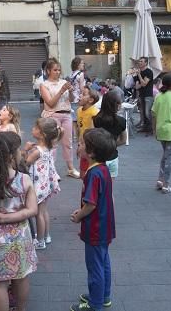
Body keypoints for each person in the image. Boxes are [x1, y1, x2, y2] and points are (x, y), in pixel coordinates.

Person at [0, 132, 38, 311]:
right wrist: (11, 217)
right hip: (21, 236)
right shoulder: (24, 179)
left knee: (0, 283)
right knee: (21, 277)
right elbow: (32, 210)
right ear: (12, 155)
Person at [70, 128, 116, 311]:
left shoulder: (93, 174)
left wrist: (78, 215)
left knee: (94, 266)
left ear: (91, 152)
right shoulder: (103, 169)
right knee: (103, 261)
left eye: (80, 144)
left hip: (95, 228)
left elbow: (90, 204)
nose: (78, 145)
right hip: (105, 226)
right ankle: (103, 296)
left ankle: (95, 304)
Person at [24, 117, 62, 250]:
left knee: (38, 214)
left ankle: (39, 240)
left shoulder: (36, 151)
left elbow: (25, 163)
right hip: (45, 184)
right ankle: (46, 236)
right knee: (44, 212)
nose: (32, 129)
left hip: (37, 186)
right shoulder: (49, 147)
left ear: (42, 134)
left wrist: (25, 149)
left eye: (35, 128)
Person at [40, 57, 81, 178]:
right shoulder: (44, 85)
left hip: (67, 114)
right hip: (53, 115)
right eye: (55, 70)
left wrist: (72, 91)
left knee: (68, 143)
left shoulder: (64, 82)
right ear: (48, 71)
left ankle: (71, 169)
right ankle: (51, 172)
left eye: (59, 70)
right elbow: (50, 103)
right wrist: (61, 91)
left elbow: (72, 100)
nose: (58, 72)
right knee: (53, 144)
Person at [92, 91, 127, 179]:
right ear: (117, 105)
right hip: (112, 155)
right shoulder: (121, 121)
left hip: (98, 157)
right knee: (109, 186)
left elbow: (93, 137)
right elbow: (123, 140)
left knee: (96, 184)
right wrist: (112, 144)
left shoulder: (96, 119)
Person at [77, 87, 100, 178]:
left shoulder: (95, 113)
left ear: (90, 100)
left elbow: (95, 131)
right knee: (82, 173)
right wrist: (80, 143)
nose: (80, 96)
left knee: (91, 171)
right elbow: (80, 128)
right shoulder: (79, 110)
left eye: (83, 94)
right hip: (83, 144)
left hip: (91, 146)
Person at [135, 57, 154, 133]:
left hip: (148, 95)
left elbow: (144, 83)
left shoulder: (148, 72)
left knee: (147, 112)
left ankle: (153, 127)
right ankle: (145, 127)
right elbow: (137, 86)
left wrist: (139, 75)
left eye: (141, 61)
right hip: (141, 95)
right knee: (142, 112)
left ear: (146, 63)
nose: (139, 63)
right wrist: (141, 83)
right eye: (139, 61)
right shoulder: (138, 73)